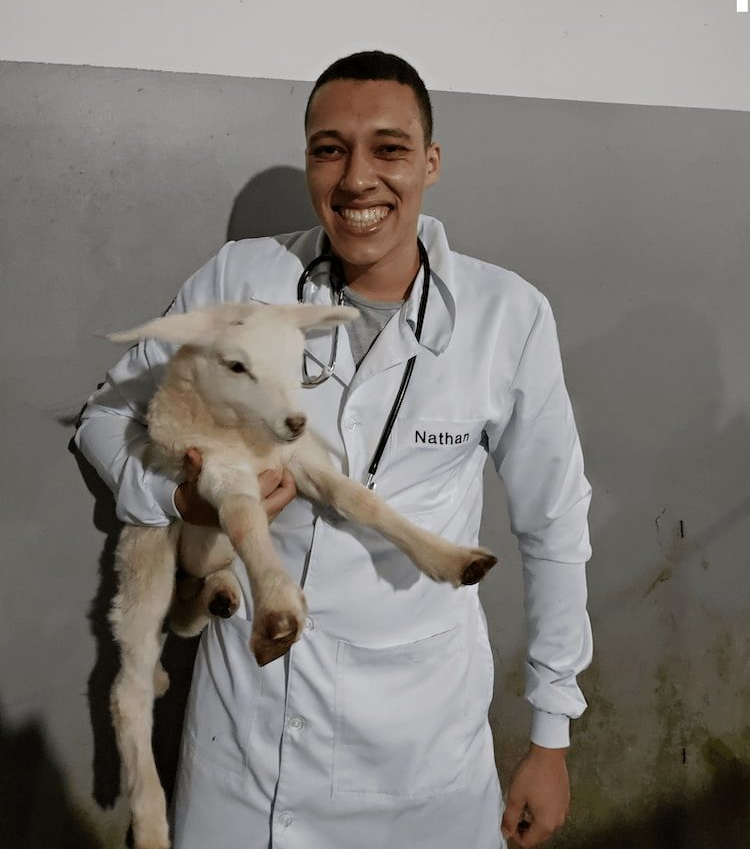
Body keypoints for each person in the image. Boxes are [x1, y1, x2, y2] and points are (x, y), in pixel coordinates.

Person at [75, 50, 592, 849]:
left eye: (389, 148)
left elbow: (553, 524)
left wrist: (551, 734)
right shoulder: (242, 277)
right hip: (247, 731)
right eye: (329, 148)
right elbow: (103, 419)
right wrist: (180, 499)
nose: (357, 179)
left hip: (422, 745)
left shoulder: (507, 316)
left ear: (430, 161)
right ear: (311, 158)